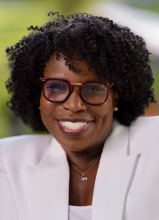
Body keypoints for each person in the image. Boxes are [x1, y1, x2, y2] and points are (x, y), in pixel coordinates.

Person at [0, 12, 159, 220]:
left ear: (116, 97)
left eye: (93, 88)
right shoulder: (6, 161)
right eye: (56, 87)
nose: (74, 105)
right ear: (37, 94)